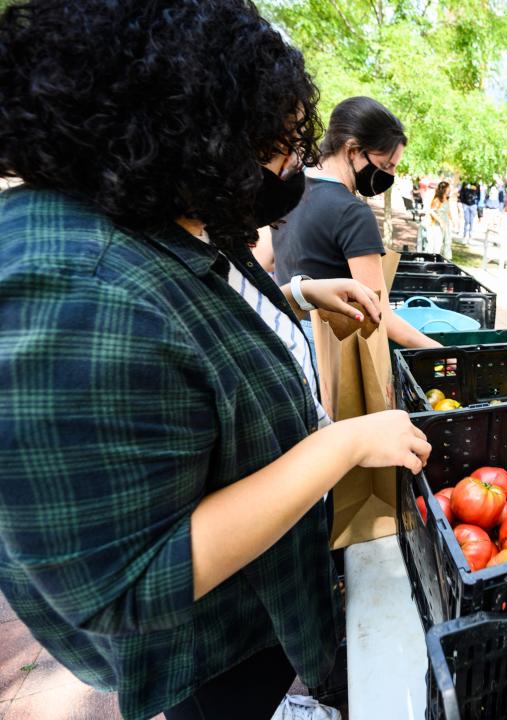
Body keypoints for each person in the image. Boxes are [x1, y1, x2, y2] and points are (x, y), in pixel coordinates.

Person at [0, 3, 433, 720]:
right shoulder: (76, 292)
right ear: (187, 127)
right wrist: (345, 442)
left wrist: (297, 295)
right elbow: (130, 581)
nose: (289, 167)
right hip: (210, 648)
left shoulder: (154, 209)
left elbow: (193, 321)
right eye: (275, 145)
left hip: (268, 596)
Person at [273, 96, 439, 349]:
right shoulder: (353, 214)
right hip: (331, 349)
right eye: (385, 165)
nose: (390, 175)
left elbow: (264, 259)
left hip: (287, 335)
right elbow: (380, 315)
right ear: (352, 150)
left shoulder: (289, 188)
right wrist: (445, 353)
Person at [426, 180, 452, 257]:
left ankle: (446, 259)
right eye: (448, 188)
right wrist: (440, 221)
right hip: (438, 225)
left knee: (447, 242)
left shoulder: (446, 199)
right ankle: (435, 259)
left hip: (446, 224)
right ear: (444, 189)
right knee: (438, 243)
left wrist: (452, 220)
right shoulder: (437, 200)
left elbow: (448, 211)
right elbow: (431, 211)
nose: (449, 189)